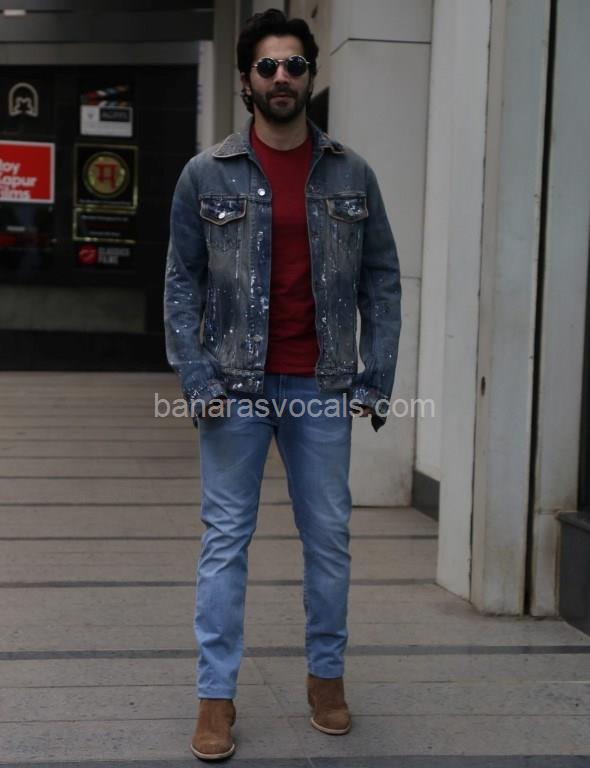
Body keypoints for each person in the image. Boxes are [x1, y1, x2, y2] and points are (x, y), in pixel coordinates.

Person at [164, 8, 402, 762]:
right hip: (232, 388)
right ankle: (215, 696)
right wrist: (197, 379)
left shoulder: (352, 173)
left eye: (294, 65)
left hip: (320, 386)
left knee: (328, 539)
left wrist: (374, 381)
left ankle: (326, 677)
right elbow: (181, 283)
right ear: (246, 81)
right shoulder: (205, 174)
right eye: (267, 66)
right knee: (224, 542)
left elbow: (382, 280)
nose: (281, 77)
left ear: (310, 76)